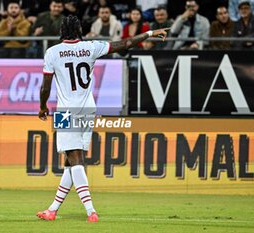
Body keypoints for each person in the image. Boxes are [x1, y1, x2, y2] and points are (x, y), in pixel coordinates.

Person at [37, 15, 168, 222]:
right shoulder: (91, 47)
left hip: (66, 111)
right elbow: (125, 43)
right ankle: (52, 209)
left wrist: (43, 106)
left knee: (75, 158)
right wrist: (150, 33)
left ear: (62, 30)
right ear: (79, 30)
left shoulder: (52, 52)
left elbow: (45, 86)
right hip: (88, 108)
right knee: (71, 160)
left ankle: (91, 211)